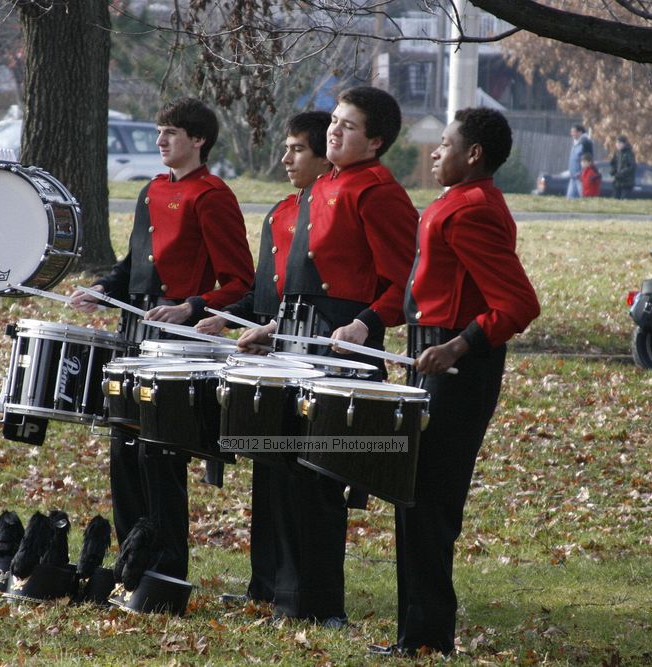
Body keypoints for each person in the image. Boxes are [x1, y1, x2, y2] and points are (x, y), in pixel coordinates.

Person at [237, 86, 418, 627]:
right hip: (299, 340)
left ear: (377, 141)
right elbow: (304, 282)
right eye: (334, 122)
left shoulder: (378, 191)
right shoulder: (325, 187)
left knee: (319, 481)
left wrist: (367, 323)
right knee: (287, 471)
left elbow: (406, 281)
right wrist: (272, 327)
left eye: (349, 126)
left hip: (344, 348)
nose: (334, 131)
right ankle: (285, 599)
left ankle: (318, 607)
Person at [371, 108, 540, 656]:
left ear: (474, 155)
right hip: (434, 355)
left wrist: (455, 345)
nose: (436, 152)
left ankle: (428, 638)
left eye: (445, 145)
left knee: (429, 501)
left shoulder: (473, 210)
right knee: (413, 497)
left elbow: (517, 303)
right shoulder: (457, 202)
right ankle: (416, 634)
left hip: (459, 368)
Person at [70, 98, 254, 579]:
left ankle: (166, 567)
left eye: (171, 132)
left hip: (176, 344)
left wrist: (192, 305)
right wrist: (103, 290)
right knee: (123, 449)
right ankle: (131, 559)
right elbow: (133, 266)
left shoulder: (213, 196)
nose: (160, 141)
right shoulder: (151, 190)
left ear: (199, 140)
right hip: (134, 334)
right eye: (159, 131)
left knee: (160, 454)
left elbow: (240, 282)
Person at [196, 111, 332, 605]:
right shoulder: (279, 212)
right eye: (286, 147)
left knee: (297, 476)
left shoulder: (329, 213)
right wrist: (224, 316)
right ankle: (264, 584)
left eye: (297, 149)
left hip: (307, 357)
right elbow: (260, 296)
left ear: (324, 156)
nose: (286, 158)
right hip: (267, 358)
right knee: (266, 472)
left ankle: (296, 590)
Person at [567, 123, 593, 199]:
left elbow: (588, 160)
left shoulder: (585, 143)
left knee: (584, 199)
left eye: (574, 132)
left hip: (581, 177)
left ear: (580, 132)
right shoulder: (575, 143)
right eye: (571, 132)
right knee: (569, 200)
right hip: (573, 177)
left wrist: (583, 174)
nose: (572, 134)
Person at [609, 135, 636, 199]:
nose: (618, 145)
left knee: (624, 199)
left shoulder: (629, 153)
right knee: (615, 199)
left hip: (626, 182)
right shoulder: (617, 153)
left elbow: (631, 167)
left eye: (619, 143)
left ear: (624, 144)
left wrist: (621, 173)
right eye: (617, 143)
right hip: (617, 181)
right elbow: (613, 163)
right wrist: (613, 171)